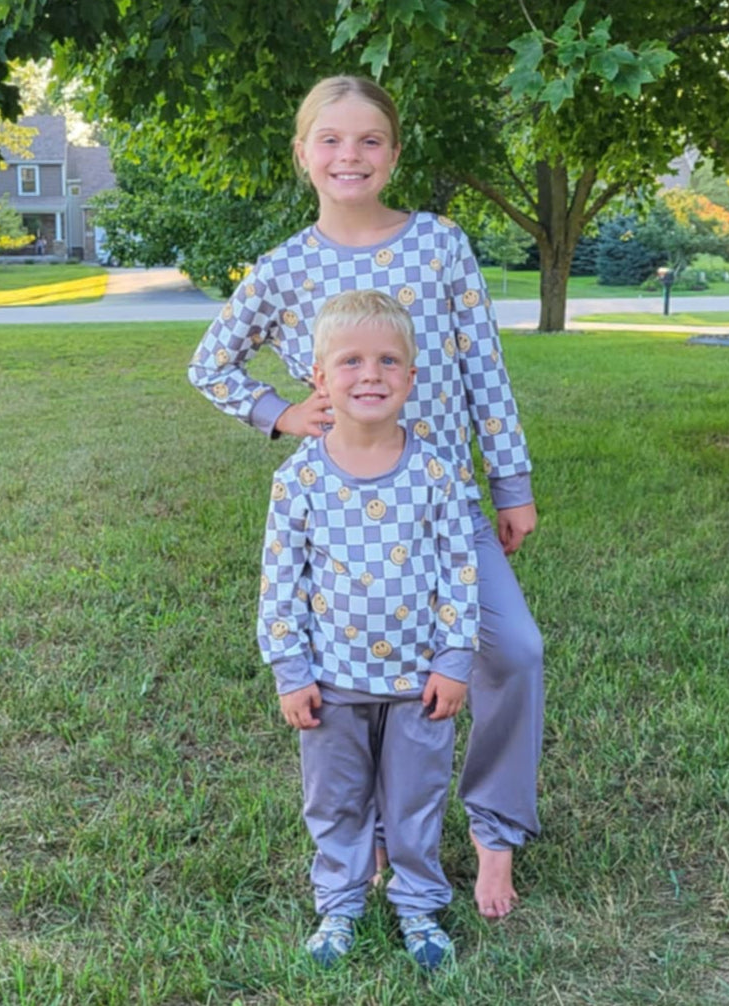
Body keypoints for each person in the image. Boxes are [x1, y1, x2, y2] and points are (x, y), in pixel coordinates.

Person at [189, 74, 543, 920]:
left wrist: (509, 479)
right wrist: (280, 413)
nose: (351, 156)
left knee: (513, 652)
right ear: (304, 153)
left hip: (446, 503)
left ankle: (494, 832)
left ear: (393, 152)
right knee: (367, 678)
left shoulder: (440, 245)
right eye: (332, 140)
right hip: (346, 522)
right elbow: (210, 364)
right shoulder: (283, 269)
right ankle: (380, 835)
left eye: (370, 140)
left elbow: (483, 367)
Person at [258, 289, 478, 969]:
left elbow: (459, 571)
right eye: (350, 361)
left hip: (419, 683)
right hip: (332, 685)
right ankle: (340, 906)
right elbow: (279, 586)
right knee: (335, 803)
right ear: (319, 378)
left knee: (415, 799)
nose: (371, 375)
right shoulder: (299, 482)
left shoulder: (436, 473)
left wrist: (455, 658)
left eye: (388, 360)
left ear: (412, 377)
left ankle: (418, 906)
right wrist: (291, 672)